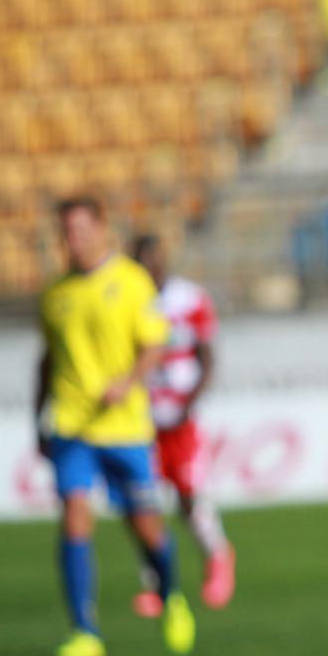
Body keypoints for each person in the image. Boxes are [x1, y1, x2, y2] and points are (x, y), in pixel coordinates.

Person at [36, 197, 195, 656]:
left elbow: (154, 345)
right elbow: (46, 363)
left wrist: (126, 382)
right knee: (74, 514)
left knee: (144, 525)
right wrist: (37, 419)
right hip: (72, 425)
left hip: (124, 428)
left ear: (102, 229)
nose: (73, 240)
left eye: (81, 230)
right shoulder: (55, 294)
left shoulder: (129, 281)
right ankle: (85, 631)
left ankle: (172, 595)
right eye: (66, 232)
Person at [130, 236, 236, 617]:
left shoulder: (189, 299)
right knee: (146, 503)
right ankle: (157, 586)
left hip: (181, 420)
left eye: (153, 261)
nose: (148, 269)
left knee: (190, 497)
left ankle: (218, 556)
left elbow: (207, 357)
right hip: (141, 422)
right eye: (141, 262)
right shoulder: (130, 301)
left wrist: (190, 402)